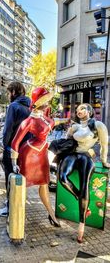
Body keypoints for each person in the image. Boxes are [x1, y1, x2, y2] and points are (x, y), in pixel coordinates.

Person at [58, 103, 110, 243]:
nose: (79, 111)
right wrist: (68, 133)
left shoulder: (98, 125)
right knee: (62, 178)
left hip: (86, 156)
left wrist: (104, 161)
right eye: (77, 109)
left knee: (85, 184)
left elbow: (104, 145)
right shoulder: (75, 126)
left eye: (82, 108)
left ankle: (82, 224)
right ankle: (78, 197)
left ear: (90, 111)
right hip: (72, 155)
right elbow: (66, 142)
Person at [11, 87, 60, 227]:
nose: (47, 104)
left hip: (42, 153)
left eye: (47, 101)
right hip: (29, 154)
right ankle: (18, 214)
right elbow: (15, 141)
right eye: (44, 101)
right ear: (37, 103)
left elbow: (53, 122)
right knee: (23, 186)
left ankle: (51, 212)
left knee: (44, 183)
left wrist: (67, 120)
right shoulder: (29, 121)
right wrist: (14, 161)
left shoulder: (44, 117)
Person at [0, 81, 31, 217]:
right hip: (25, 148)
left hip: (12, 148)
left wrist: (5, 145)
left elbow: (8, 129)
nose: (8, 95)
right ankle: (13, 201)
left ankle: (10, 207)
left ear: (14, 92)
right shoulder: (29, 106)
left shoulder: (13, 106)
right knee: (19, 176)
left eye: (9, 92)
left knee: (10, 177)